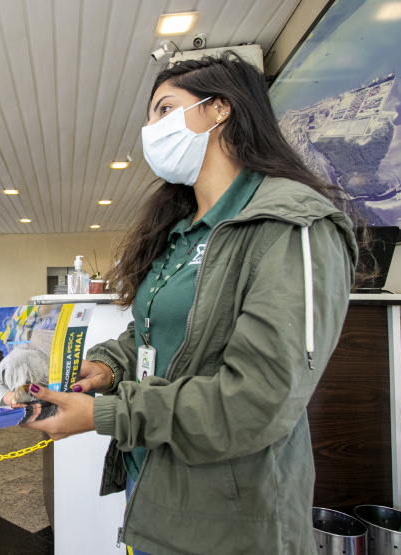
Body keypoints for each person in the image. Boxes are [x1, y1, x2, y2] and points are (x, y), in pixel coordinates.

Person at [21, 52, 358, 554]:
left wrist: (106, 414)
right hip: (155, 482)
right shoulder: (180, 229)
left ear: (219, 108)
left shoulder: (291, 225)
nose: (149, 128)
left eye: (164, 109)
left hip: (230, 514)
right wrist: (108, 367)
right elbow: (153, 332)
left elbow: (258, 402)